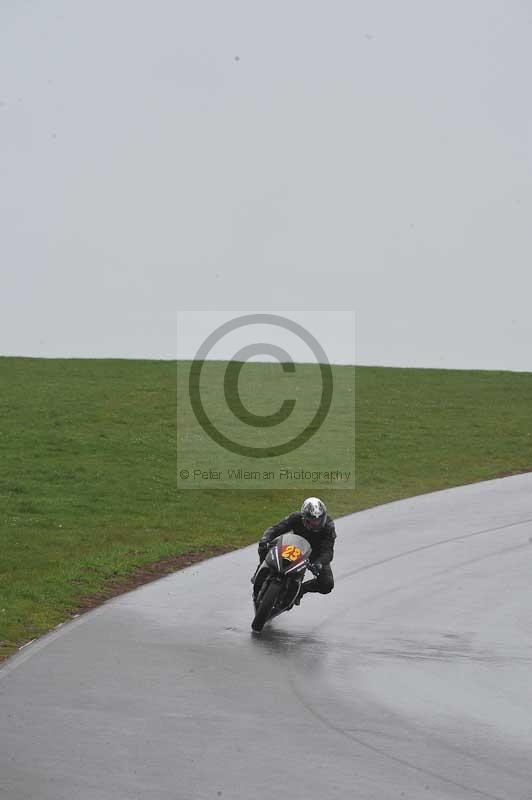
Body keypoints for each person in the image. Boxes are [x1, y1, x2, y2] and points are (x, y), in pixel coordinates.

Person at [257, 497, 336, 602]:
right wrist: (266, 538)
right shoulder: (296, 517)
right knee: (264, 546)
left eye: (319, 519)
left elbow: (328, 550)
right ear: (304, 518)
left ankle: (300, 590)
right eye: (313, 520)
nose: (316, 523)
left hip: (315, 555)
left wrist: (319, 563)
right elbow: (277, 529)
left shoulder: (328, 526)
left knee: (327, 584)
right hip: (293, 545)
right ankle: (261, 569)